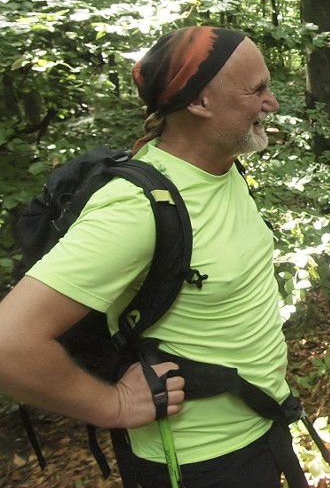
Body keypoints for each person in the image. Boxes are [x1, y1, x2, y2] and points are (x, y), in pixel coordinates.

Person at [0, 26, 309, 488]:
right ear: (199, 103)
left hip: (262, 433)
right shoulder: (136, 208)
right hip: (197, 464)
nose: (273, 103)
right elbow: (9, 345)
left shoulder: (222, 169)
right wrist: (116, 406)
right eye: (257, 90)